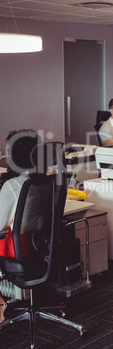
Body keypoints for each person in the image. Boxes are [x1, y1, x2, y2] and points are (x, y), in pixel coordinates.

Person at [0, 129, 41, 323]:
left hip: (17, 250)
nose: (5, 156)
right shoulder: (46, 181)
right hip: (42, 246)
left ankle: (1, 305)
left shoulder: (12, 186)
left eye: (8, 152)